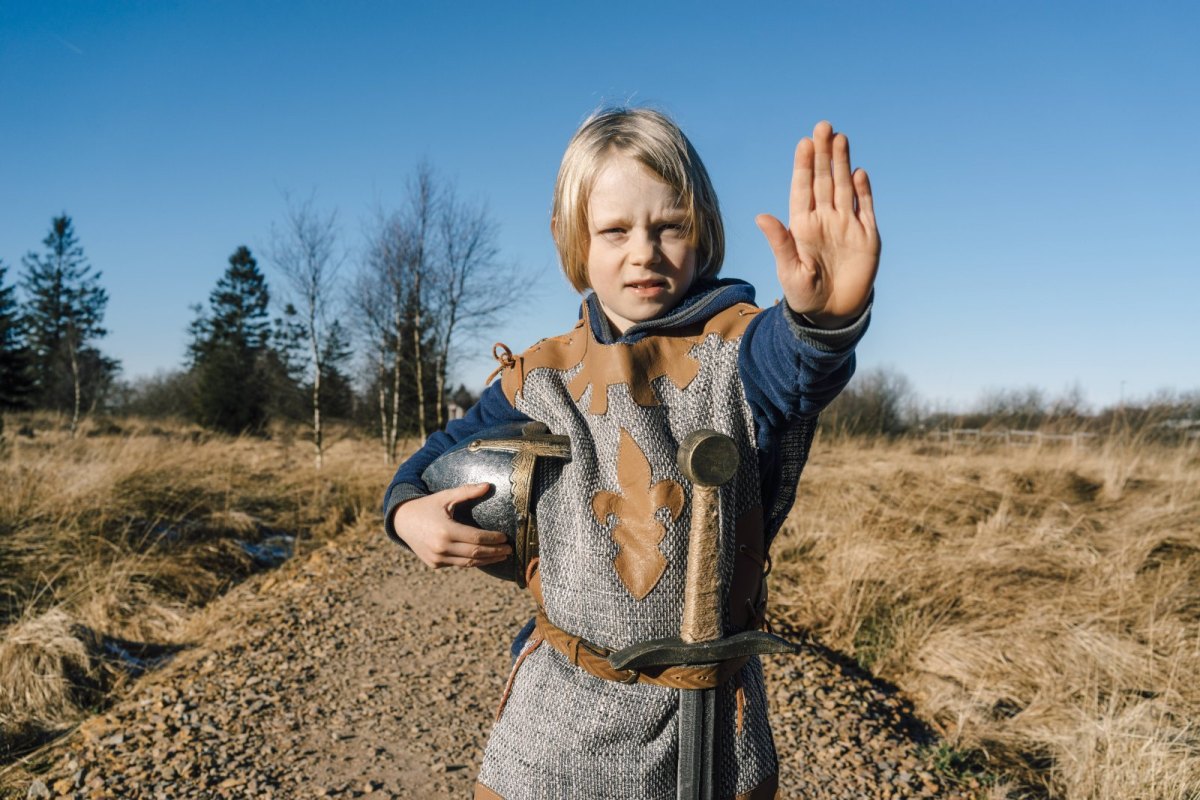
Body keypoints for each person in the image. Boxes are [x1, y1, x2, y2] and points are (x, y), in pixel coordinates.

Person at [383, 107, 879, 799]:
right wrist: (409, 515)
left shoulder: (741, 353)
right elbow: (425, 463)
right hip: (557, 731)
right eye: (614, 230)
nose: (643, 250)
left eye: (668, 225)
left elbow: (798, 368)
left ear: (702, 231)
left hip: (709, 734)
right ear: (575, 243)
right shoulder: (542, 375)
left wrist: (824, 322)